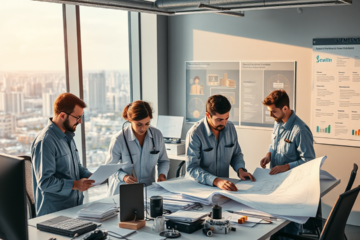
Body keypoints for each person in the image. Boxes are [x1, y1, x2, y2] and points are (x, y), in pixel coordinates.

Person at [260, 90, 315, 240]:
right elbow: (274, 144)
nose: (271, 115)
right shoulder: (278, 123)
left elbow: (310, 161)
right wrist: (268, 154)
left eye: (273, 111)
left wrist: (287, 166)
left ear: (285, 108)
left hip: (293, 189)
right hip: (276, 186)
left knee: (288, 232)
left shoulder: (301, 130)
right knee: (274, 229)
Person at [31, 93, 94, 217]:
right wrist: (75, 185)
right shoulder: (46, 142)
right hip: (54, 214)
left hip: (74, 209)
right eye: (77, 117)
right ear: (62, 115)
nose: (80, 121)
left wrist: (90, 176)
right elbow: (45, 182)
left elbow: (76, 167)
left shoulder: (68, 136)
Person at [186, 94, 255, 191]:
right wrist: (216, 181)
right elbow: (192, 168)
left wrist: (240, 170)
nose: (224, 123)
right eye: (219, 119)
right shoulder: (195, 133)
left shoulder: (230, 128)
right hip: (199, 188)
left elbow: (236, 154)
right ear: (207, 115)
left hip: (222, 188)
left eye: (226, 118)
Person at [106, 100, 170, 196]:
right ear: (130, 119)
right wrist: (124, 177)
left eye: (147, 124)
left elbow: (164, 161)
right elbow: (110, 168)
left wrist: (162, 175)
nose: (143, 128)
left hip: (147, 190)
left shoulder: (157, 135)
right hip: (123, 191)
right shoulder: (119, 139)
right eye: (139, 124)